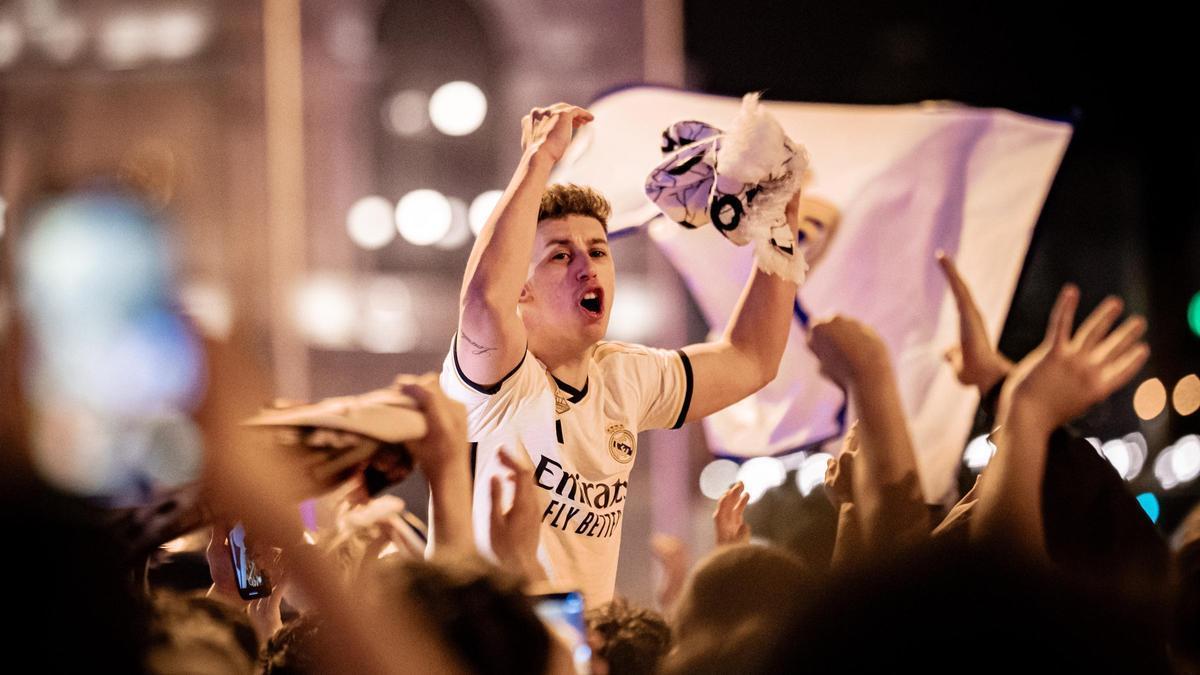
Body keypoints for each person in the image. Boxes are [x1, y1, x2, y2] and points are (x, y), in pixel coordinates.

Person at [440, 102, 809, 603]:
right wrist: (536, 160)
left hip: (576, 649)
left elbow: (752, 359)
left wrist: (776, 232)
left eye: (597, 250)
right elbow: (484, 298)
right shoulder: (498, 378)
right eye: (560, 255)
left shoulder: (624, 377)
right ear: (520, 290)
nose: (588, 268)